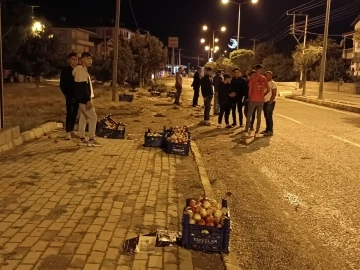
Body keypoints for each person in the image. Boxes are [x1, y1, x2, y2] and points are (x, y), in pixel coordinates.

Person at [73, 52, 101, 147]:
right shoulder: (81, 71)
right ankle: (91, 139)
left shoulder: (82, 71)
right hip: (84, 100)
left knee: (83, 119)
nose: (90, 61)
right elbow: (83, 88)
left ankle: (81, 138)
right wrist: (88, 100)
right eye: (88, 59)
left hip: (82, 99)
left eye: (91, 59)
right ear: (82, 60)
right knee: (93, 118)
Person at [244, 64, 270, 137]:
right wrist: (263, 95)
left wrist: (250, 98)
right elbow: (268, 89)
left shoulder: (252, 78)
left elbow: (250, 90)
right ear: (260, 70)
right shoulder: (264, 78)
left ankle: (246, 131)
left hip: (253, 99)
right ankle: (257, 132)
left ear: (255, 70)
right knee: (258, 117)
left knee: (249, 116)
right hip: (260, 100)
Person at [60, 52, 79, 140]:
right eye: (73, 59)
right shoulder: (65, 70)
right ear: (69, 60)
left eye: (76, 59)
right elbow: (62, 84)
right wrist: (66, 94)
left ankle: (71, 130)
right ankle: (67, 131)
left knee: (75, 113)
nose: (75, 61)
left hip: (77, 95)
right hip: (69, 95)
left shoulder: (79, 70)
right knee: (69, 113)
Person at [263, 71, 277, 136]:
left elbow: (274, 94)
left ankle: (270, 130)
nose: (267, 76)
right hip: (264, 101)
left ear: (271, 76)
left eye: (268, 75)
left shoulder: (273, 83)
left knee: (269, 116)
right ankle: (267, 129)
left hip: (270, 102)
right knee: (266, 116)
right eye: (266, 75)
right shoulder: (264, 83)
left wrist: (270, 102)